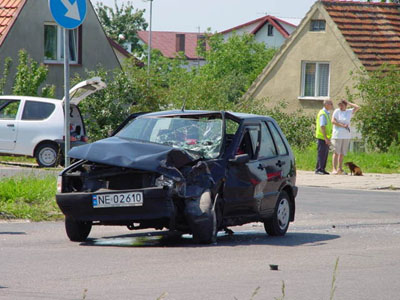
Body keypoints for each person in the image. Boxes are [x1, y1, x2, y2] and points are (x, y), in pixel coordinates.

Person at [331, 99, 360, 175]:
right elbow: (333, 121)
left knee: (342, 153)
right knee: (336, 152)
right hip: (337, 134)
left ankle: (340, 168)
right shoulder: (337, 111)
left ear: (345, 105)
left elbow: (357, 107)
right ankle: (334, 168)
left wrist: (348, 102)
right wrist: (343, 125)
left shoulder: (349, 112)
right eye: (339, 105)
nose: (340, 106)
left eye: (342, 105)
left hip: (346, 135)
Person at [315, 100, 333, 175]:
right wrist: (325, 138)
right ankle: (319, 169)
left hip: (326, 137)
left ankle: (322, 168)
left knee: (325, 154)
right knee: (321, 153)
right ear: (326, 104)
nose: (332, 105)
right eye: (330, 104)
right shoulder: (322, 113)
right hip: (322, 137)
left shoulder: (326, 113)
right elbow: (322, 126)